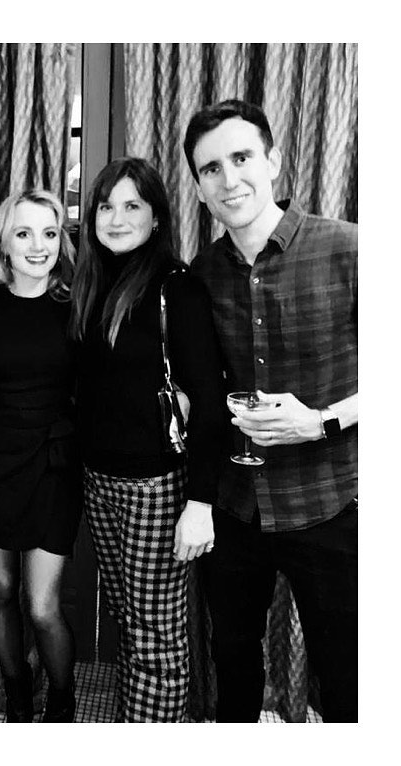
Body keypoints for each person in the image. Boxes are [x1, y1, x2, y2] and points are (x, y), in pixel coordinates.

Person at [184, 99, 358, 722]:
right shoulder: (201, 274)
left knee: (347, 678)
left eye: (241, 158)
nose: (229, 179)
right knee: (232, 667)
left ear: (274, 161)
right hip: (237, 507)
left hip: (331, 502)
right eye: (211, 169)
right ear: (198, 188)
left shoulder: (350, 249)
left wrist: (322, 420)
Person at [69, 158, 227, 722]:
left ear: (156, 217)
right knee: (128, 619)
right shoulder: (91, 283)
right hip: (99, 480)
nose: (116, 218)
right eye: (106, 206)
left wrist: (200, 503)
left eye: (132, 205)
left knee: (155, 634)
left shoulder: (176, 288)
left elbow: (210, 402)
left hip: (155, 488)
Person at [0, 190, 81, 723]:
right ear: (4, 244)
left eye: (49, 233)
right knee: (1, 589)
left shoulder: (75, 305)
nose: (38, 246)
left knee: (42, 605)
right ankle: (16, 695)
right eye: (24, 233)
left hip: (53, 467)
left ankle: (61, 701)